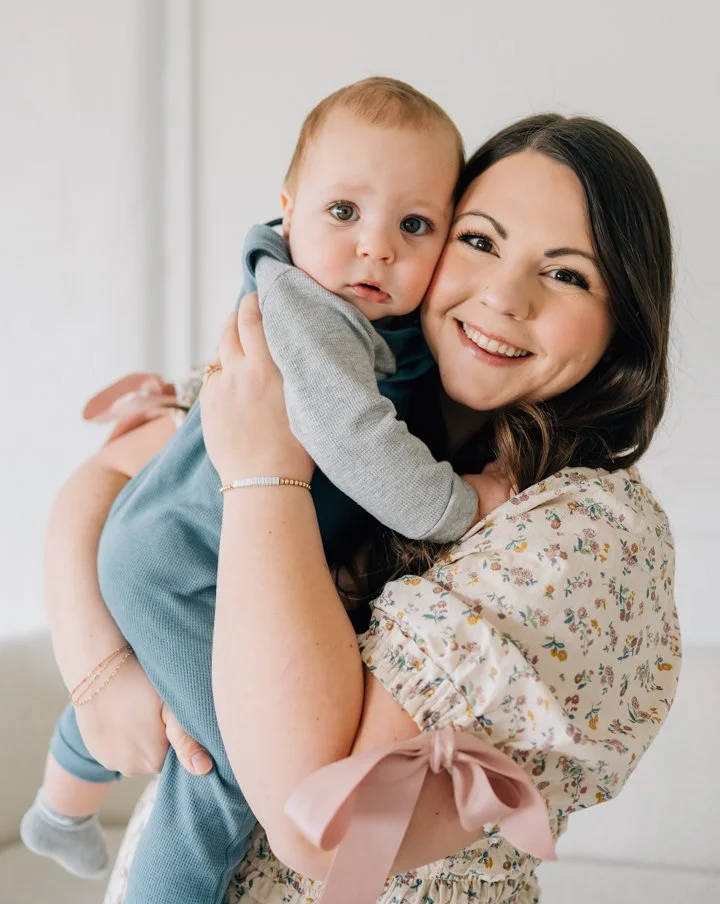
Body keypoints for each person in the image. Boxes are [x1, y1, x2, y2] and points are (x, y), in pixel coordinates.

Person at [104, 112, 681, 904]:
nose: (504, 297)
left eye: (568, 274)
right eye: (480, 241)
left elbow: (325, 828)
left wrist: (265, 477)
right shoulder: (356, 378)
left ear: (625, 322)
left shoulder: (583, 535)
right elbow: (100, 494)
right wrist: (99, 685)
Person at [22, 77, 489, 902]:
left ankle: (59, 811)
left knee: (175, 702)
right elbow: (357, 443)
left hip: (181, 553)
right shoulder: (306, 315)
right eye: (344, 213)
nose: (376, 247)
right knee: (229, 763)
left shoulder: (381, 324)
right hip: (183, 569)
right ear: (289, 207)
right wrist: (462, 503)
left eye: (414, 226)